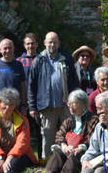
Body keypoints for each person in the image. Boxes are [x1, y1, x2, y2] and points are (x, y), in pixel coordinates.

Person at [28, 31, 79, 159]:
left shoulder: (66, 59)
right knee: (48, 137)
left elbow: (74, 83)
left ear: (58, 43)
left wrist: (76, 102)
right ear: (45, 43)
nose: (52, 44)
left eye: (55, 42)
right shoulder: (38, 60)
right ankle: (48, 166)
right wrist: (32, 107)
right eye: (50, 42)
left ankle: (69, 164)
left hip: (66, 105)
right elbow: (31, 85)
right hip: (47, 106)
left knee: (69, 135)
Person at [43, 89, 98, 173]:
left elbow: (93, 138)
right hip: (68, 150)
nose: (70, 107)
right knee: (58, 153)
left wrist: (81, 147)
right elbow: (60, 134)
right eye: (69, 104)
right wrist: (64, 145)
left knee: (75, 155)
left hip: (83, 153)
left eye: (74, 104)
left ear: (84, 104)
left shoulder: (93, 120)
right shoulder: (69, 120)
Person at [0, 38, 27, 111]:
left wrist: (24, 105)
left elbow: (23, 86)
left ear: (13, 49)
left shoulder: (18, 65)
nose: (8, 51)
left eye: (10, 48)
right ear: (0, 50)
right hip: (0, 105)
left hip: (16, 105)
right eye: (5, 48)